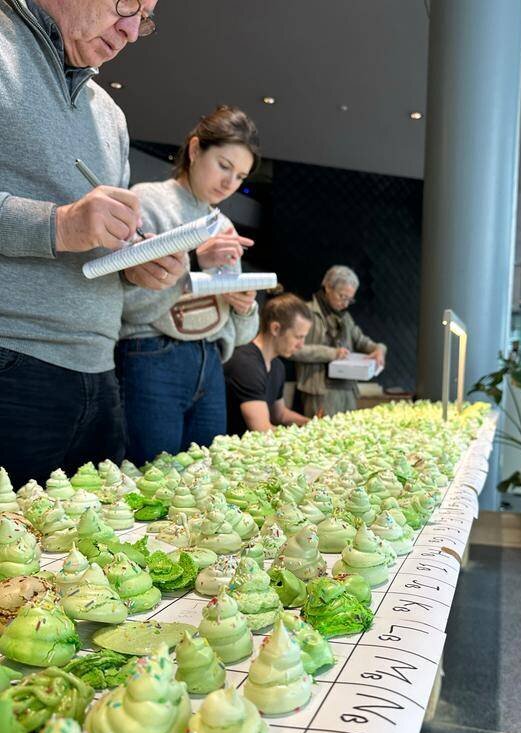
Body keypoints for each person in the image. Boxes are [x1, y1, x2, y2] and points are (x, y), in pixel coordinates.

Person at [0, 0, 186, 489]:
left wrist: (135, 264)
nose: (129, 30)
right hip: (13, 359)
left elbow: (98, 246)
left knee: (95, 555)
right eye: (126, 4)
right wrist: (59, 224)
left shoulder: (111, 116)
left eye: (144, 17)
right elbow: (69, 227)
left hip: (101, 372)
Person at [117, 106, 261, 465]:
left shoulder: (223, 224)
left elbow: (242, 333)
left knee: (205, 486)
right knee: (150, 481)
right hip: (151, 355)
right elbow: (127, 303)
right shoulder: (148, 200)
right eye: (224, 166)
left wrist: (245, 306)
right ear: (195, 150)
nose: (229, 183)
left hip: (211, 362)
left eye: (241, 176)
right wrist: (196, 263)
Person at [290, 265, 387, 417]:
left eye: (350, 299)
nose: (345, 304)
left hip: (347, 388)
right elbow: (294, 350)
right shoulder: (306, 312)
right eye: (342, 297)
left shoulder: (345, 317)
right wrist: (331, 353)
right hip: (319, 390)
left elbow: (361, 341)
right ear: (328, 287)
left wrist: (379, 349)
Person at [224, 294, 312, 435]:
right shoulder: (247, 364)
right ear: (275, 328)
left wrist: (313, 423)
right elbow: (262, 430)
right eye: (298, 337)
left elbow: (280, 414)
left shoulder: (277, 365)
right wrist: (310, 438)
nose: (301, 345)